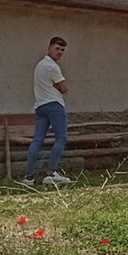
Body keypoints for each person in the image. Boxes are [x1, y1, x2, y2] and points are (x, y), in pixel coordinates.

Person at [24, 37, 72, 186]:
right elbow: (64, 88)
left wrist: (53, 85)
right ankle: (51, 173)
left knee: (37, 140)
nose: (59, 52)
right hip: (54, 104)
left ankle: (29, 177)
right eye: (57, 48)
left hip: (40, 105)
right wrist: (56, 86)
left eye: (62, 50)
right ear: (49, 48)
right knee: (61, 138)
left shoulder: (39, 65)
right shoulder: (52, 67)